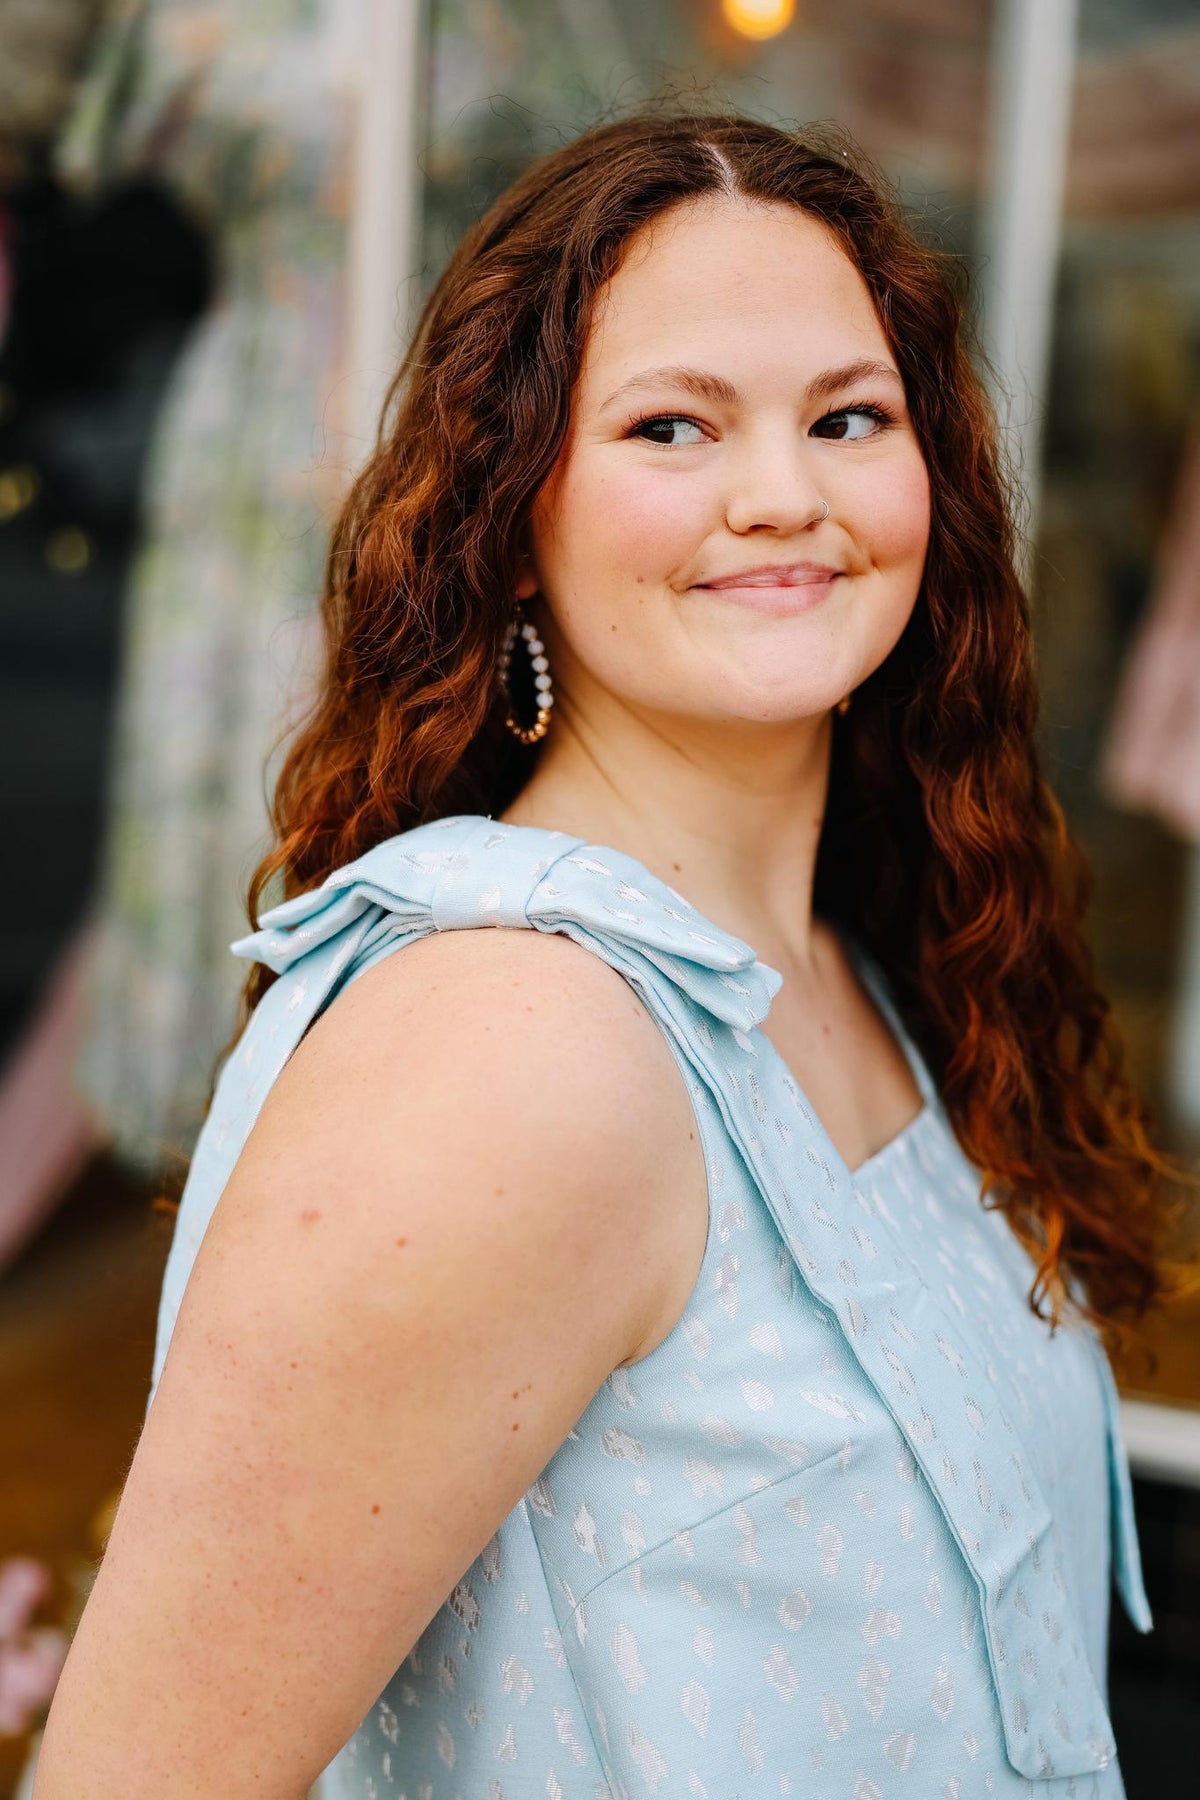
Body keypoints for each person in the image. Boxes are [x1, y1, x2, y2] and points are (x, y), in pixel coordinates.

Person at [34, 107, 1181, 1798]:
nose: (783, 495)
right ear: (513, 516)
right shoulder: (510, 1043)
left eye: (848, 417)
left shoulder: (852, 962)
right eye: (671, 426)